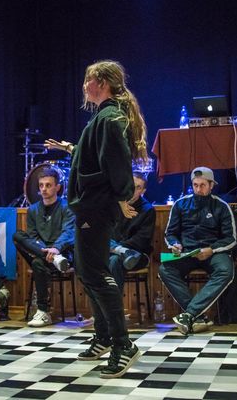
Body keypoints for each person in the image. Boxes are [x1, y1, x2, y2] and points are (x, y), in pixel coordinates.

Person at [45, 60, 148, 378]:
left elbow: (116, 163)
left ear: (102, 83)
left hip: (97, 206)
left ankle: (123, 344)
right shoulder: (105, 116)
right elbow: (96, 155)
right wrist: (72, 148)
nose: (83, 86)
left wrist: (122, 196)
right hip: (92, 206)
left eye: (88, 80)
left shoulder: (109, 117)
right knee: (88, 270)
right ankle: (104, 336)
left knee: (95, 272)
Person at [159, 167, 237, 335]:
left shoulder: (221, 206)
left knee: (226, 270)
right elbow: (170, 233)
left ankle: (189, 314)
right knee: (165, 269)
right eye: (195, 185)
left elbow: (231, 238)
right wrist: (174, 244)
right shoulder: (180, 204)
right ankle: (197, 317)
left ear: (211, 185)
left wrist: (212, 249)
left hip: (213, 252)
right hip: (187, 252)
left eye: (202, 185)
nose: (198, 189)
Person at [13, 167, 75, 327]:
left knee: (38, 263)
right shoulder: (33, 209)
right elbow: (32, 236)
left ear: (57, 187)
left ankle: (43, 312)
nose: (44, 189)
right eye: (41, 185)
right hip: (43, 253)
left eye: (48, 185)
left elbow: (69, 233)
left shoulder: (66, 207)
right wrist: (44, 251)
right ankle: (51, 258)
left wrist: (56, 248)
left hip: (63, 255)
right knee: (18, 236)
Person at [108, 172, 156, 293]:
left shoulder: (148, 210)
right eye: (131, 185)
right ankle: (101, 303)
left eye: (138, 188)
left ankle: (114, 304)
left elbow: (142, 240)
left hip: (137, 253)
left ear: (143, 191)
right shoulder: (114, 204)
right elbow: (104, 232)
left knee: (114, 261)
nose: (133, 190)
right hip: (111, 250)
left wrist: (117, 247)